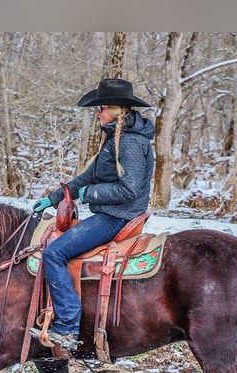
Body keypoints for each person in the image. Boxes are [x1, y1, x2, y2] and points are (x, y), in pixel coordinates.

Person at [31, 78, 155, 351]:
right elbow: (88, 176)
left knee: (54, 253)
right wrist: (54, 198)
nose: (97, 113)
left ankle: (66, 327)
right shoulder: (115, 138)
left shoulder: (131, 143)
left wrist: (91, 195)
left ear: (118, 110)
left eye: (101, 108)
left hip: (116, 218)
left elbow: (130, 190)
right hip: (111, 213)